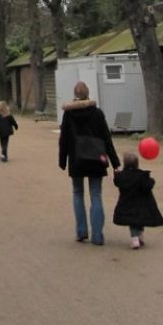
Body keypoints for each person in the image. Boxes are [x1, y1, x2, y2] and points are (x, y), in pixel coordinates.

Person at [58, 81, 120, 245]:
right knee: (96, 194)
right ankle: (98, 235)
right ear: (87, 93)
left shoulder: (69, 114)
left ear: (75, 94)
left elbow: (63, 139)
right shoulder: (97, 113)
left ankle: (81, 231)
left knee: (78, 193)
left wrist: (62, 160)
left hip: (76, 159)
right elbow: (107, 138)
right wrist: (115, 163)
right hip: (95, 158)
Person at [113, 151, 163, 249]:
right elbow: (148, 186)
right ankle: (140, 237)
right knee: (139, 221)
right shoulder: (142, 176)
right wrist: (151, 180)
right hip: (142, 204)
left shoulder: (122, 176)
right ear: (137, 163)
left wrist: (116, 174)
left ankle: (135, 239)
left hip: (127, 203)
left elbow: (117, 182)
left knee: (133, 222)